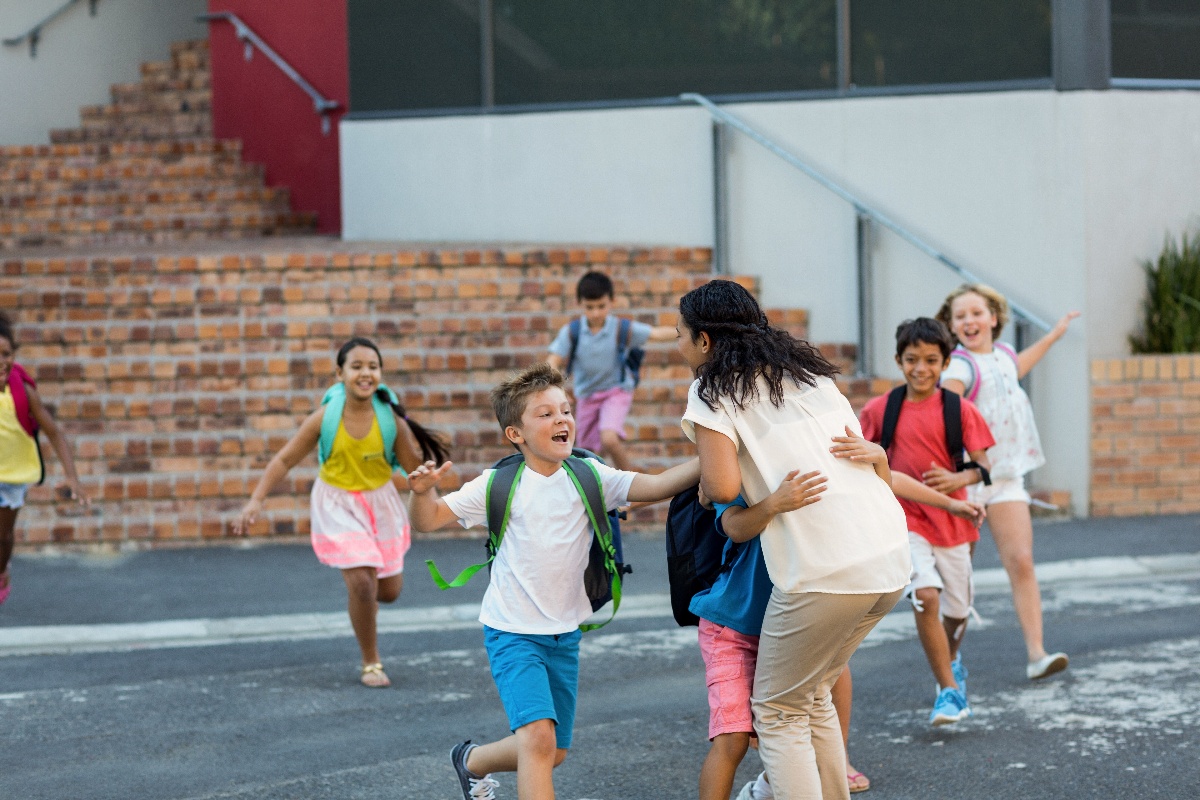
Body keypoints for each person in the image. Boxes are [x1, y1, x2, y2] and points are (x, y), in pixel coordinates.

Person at [406, 362, 700, 800]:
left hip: (564, 633)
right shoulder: (496, 485)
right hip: (512, 631)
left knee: (553, 751)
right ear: (515, 434)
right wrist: (421, 492)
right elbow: (428, 521)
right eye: (545, 414)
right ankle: (478, 762)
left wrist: (718, 450)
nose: (561, 419)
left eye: (565, 410)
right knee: (539, 741)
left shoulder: (591, 476)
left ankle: (469, 761)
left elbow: (657, 486)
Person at [678, 280, 911, 800]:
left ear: (705, 342)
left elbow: (720, 488)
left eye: (681, 335)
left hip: (822, 570)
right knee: (810, 696)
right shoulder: (809, 375)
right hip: (889, 559)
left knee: (778, 712)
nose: (678, 345)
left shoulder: (711, 390)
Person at [233, 337, 447, 688]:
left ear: (381, 374)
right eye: (357, 366)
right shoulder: (326, 417)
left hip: (380, 505)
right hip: (336, 505)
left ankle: (361, 598)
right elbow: (285, 458)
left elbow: (415, 475)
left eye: (373, 367)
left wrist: (438, 505)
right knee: (363, 583)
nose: (366, 373)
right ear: (340, 374)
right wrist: (256, 499)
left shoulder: (392, 422)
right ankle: (371, 662)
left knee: (388, 591)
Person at [936, 284, 1079, 681]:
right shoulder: (960, 367)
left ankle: (1037, 653)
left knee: (1022, 562)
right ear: (951, 325)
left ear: (994, 318)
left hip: (1006, 479)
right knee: (958, 581)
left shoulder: (1002, 357)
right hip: (967, 481)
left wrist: (1053, 335)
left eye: (977, 313)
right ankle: (947, 667)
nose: (969, 321)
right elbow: (946, 404)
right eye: (960, 316)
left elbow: (1019, 366)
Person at [859, 318, 994, 726]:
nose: (921, 368)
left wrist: (959, 478)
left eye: (931, 360)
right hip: (904, 520)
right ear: (898, 361)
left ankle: (952, 660)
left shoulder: (960, 410)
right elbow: (861, 457)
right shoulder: (880, 409)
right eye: (912, 359)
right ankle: (949, 691)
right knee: (926, 595)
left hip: (954, 524)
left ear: (946, 362)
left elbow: (985, 467)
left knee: (958, 609)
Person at [0, 311, 90, 605]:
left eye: (6, 354)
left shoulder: (23, 391)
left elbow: (55, 433)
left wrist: (72, 477)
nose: (1, 362)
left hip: (12, 475)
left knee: (3, 536)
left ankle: (2, 571)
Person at [546, 270, 676, 470]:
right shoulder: (572, 332)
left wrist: (688, 331)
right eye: (590, 307)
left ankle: (633, 487)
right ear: (579, 303)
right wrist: (557, 390)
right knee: (585, 452)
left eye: (601, 306)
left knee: (609, 438)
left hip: (616, 391)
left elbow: (657, 334)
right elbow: (552, 360)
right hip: (586, 396)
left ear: (612, 302)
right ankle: (594, 490)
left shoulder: (620, 328)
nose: (596, 312)